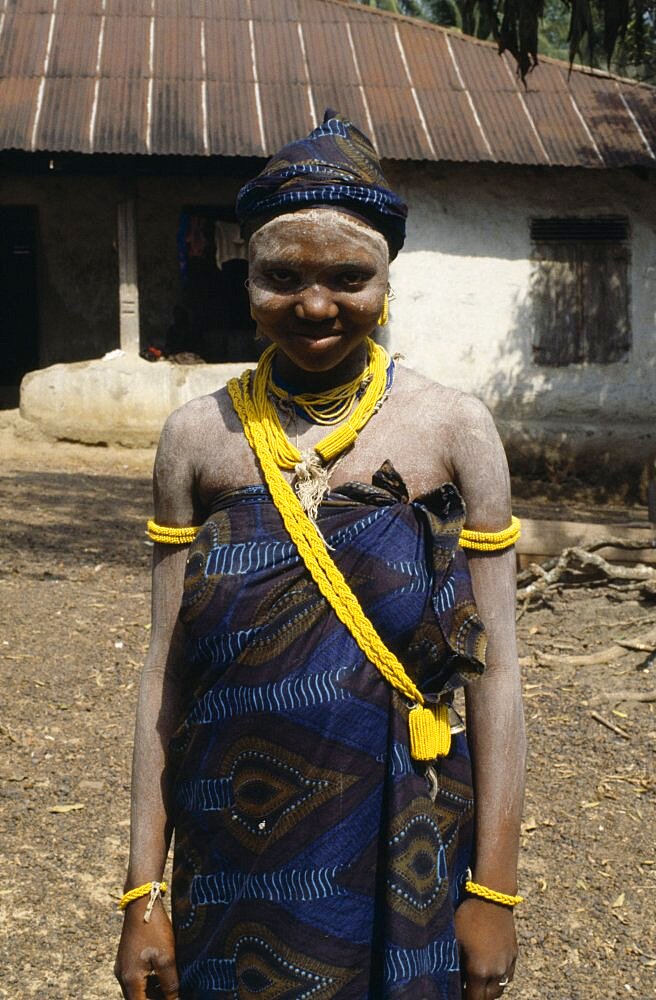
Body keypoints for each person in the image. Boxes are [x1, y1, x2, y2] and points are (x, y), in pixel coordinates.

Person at [115, 111, 526, 1000]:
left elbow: (496, 680)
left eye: (349, 277)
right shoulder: (198, 439)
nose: (314, 304)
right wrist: (142, 889)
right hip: (231, 856)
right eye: (281, 277)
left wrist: (493, 891)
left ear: (388, 280)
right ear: (246, 278)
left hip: (401, 850)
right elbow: (164, 675)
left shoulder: (453, 432)